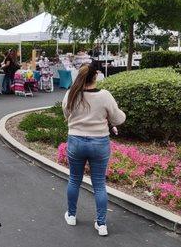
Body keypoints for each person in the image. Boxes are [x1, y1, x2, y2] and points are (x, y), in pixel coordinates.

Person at [62, 64, 126, 237]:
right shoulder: (104, 96)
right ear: (95, 76)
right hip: (99, 143)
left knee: (74, 179)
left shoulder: (72, 94)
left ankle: (72, 215)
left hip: (76, 141)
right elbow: (118, 118)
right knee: (99, 184)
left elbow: (66, 114)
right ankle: (101, 223)